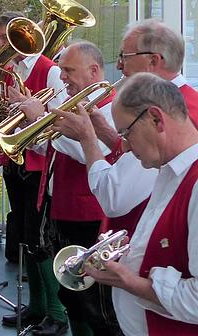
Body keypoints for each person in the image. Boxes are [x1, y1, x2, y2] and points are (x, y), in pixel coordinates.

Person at [67, 73, 198, 335]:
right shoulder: (169, 171)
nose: (123, 144)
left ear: (156, 119)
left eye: (127, 132)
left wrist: (128, 281)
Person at [53, 19, 198, 237]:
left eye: (125, 57)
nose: (119, 65)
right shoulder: (184, 101)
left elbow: (114, 197)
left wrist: (87, 137)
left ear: (153, 60)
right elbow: (145, 164)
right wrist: (105, 132)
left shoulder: (165, 111)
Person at [21, 42, 122, 335]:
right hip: (62, 205)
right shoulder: (75, 102)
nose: (61, 76)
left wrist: (41, 120)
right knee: (72, 294)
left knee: (90, 299)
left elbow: (93, 153)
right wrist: (28, 126)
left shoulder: (109, 106)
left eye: (68, 70)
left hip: (88, 213)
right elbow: (53, 148)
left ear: (93, 71)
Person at [0, 11, 67, 332]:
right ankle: (37, 306)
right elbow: (1, 120)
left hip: (39, 165)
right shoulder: (7, 73)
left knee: (39, 238)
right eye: (0, 40)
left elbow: (57, 122)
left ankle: (57, 314)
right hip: (13, 162)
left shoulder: (51, 72)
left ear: (26, 38)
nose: (2, 46)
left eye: (7, 39)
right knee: (25, 237)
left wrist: (31, 110)